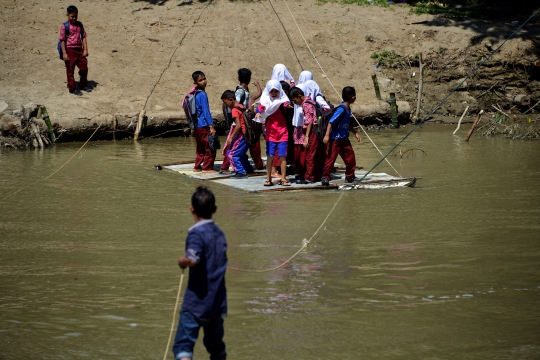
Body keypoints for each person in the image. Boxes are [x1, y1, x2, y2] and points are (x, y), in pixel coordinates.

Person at [173, 187, 227, 360]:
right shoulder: (220, 234)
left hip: (196, 302)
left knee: (183, 347)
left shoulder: (196, 233)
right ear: (215, 210)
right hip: (217, 303)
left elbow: (193, 259)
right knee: (216, 348)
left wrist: (183, 261)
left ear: (191, 208)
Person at [321, 86, 362, 186]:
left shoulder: (348, 109)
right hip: (335, 139)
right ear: (352, 97)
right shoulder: (341, 109)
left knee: (350, 157)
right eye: (354, 95)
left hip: (344, 138)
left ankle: (349, 176)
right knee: (330, 158)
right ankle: (325, 176)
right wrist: (327, 136)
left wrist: (355, 133)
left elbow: (348, 124)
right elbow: (331, 122)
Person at [256, 80, 291, 186]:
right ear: (268, 92)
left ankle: (284, 178)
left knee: (282, 156)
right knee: (270, 156)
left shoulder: (283, 101)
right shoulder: (266, 101)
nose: (274, 93)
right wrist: (257, 113)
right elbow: (260, 107)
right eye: (272, 91)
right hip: (270, 133)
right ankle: (268, 178)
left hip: (282, 132)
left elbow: (286, 104)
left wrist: (287, 106)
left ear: (280, 91)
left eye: (276, 91)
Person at [289, 87, 324, 184]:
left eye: (295, 100)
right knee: (316, 154)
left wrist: (306, 137)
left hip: (312, 131)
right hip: (317, 130)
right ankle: (317, 175)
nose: (295, 103)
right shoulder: (311, 101)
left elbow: (309, 122)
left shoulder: (306, 105)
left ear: (299, 96)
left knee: (310, 155)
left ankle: (309, 177)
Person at [220, 90, 254, 179]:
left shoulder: (234, 110)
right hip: (248, 134)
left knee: (231, 154)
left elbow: (238, 125)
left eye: (225, 102)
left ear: (231, 100)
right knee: (241, 153)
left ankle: (240, 172)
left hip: (242, 135)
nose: (225, 105)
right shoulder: (241, 106)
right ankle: (248, 168)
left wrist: (231, 137)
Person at [190, 71, 217, 173]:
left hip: (197, 125)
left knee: (200, 148)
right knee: (210, 147)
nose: (204, 82)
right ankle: (207, 168)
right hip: (204, 125)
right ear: (195, 83)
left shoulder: (195, 93)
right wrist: (211, 126)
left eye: (204, 79)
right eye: (200, 80)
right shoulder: (202, 95)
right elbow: (206, 112)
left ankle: (197, 166)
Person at [59, 5, 89, 95]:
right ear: (67, 15)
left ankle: (83, 84)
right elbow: (62, 40)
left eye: (76, 16)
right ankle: (72, 87)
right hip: (70, 49)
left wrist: (85, 49)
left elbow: (83, 36)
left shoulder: (79, 25)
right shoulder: (65, 26)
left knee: (84, 66)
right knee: (70, 69)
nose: (74, 18)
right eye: (72, 16)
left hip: (79, 49)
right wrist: (64, 53)